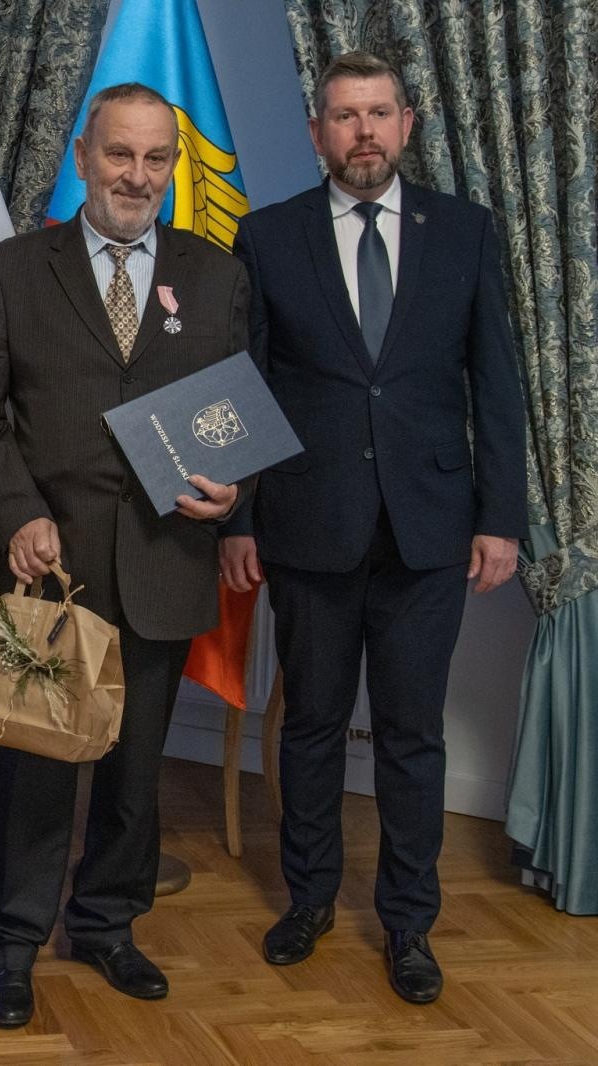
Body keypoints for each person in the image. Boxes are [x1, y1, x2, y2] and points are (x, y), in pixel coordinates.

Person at [219, 52, 526, 1004]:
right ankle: (308, 900)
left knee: (410, 734)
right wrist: (236, 519)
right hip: (307, 525)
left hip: (431, 529)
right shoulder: (268, 238)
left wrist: (502, 519)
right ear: (318, 133)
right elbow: (244, 385)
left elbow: (496, 386)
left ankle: (409, 923)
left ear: (407, 124)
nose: (363, 131)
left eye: (378, 113)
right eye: (344, 116)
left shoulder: (467, 233)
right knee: (309, 725)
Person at [0, 83, 250, 1026]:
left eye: (156, 160)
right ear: (82, 155)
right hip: (53, 566)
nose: (137, 175)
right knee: (37, 765)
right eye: (119, 155)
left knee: (135, 769)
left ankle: (107, 925)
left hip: (166, 560)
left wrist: (234, 487)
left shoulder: (215, 275)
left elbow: (228, 416)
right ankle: (9, 940)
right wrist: (16, 516)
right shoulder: (11, 268)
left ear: (172, 167)